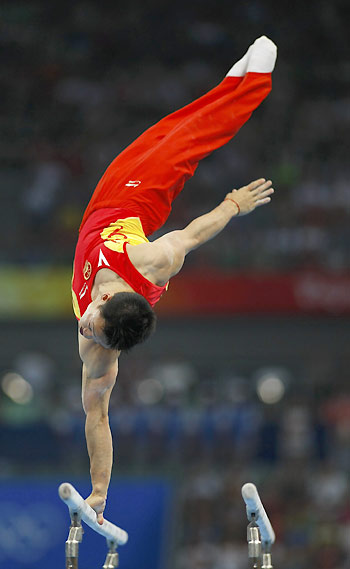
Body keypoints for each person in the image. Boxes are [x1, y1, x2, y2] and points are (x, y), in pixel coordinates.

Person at [72, 36, 277, 523]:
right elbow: (191, 235)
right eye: (93, 323)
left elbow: (96, 417)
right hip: (137, 200)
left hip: (97, 208)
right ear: (111, 300)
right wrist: (233, 205)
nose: (84, 328)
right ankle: (255, 82)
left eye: (91, 331)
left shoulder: (99, 354)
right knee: (187, 139)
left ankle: (236, 80)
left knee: (169, 127)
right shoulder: (147, 262)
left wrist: (99, 490)